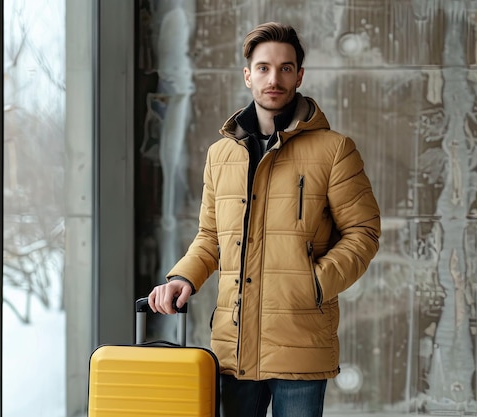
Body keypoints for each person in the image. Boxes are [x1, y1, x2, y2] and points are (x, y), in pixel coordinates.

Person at [148, 21, 381, 417]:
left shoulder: (334, 150)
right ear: (247, 75)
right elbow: (210, 236)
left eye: (286, 68)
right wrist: (182, 277)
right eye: (263, 67)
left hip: (300, 342)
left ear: (299, 75)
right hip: (233, 346)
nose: (274, 78)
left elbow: (363, 233)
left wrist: (314, 284)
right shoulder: (220, 156)